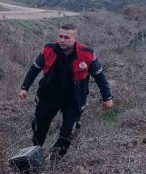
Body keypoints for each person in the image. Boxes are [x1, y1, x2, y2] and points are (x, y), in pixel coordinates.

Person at [20, 24, 114, 158]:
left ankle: (55, 159)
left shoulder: (87, 54)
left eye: (66, 37)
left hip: (74, 97)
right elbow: (34, 68)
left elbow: (100, 76)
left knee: (68, 131)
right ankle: (35, 154)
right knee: (39, 126)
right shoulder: (48, 50)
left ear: (75, 38)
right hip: (49, 94)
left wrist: (107, 98)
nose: (62, 40)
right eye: (60, 36)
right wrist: (25, 88)